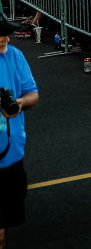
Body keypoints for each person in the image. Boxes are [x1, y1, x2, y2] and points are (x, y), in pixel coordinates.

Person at [0, 18, 39, 243]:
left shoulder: (15, 56)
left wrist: (20, 103)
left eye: (7, 33)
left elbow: (33, 93)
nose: (6, 38)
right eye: (0, 34)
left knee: (9, 219)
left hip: (13, 156)